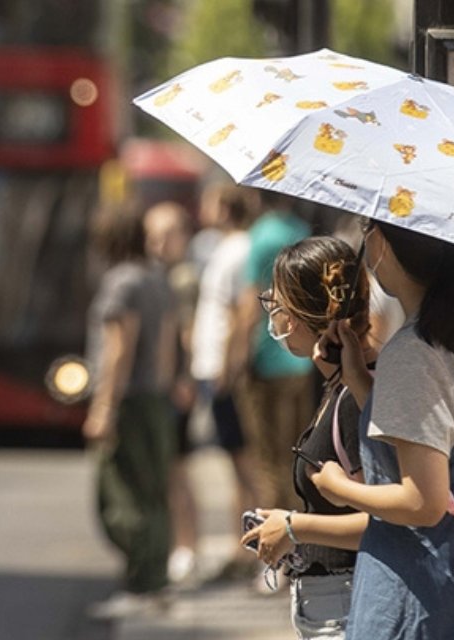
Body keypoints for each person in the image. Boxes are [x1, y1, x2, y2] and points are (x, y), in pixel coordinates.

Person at [307, 220, 454, 638]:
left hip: (423, 596)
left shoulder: (413, 351)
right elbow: (436, 432)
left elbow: (423, 502)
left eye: (367, 227)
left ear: (382, 246)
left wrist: (338, 488)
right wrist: (357, 377)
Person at [239, 236, 382, 638]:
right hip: (331, 603)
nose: (276, 319)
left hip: (347, 606)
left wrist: (294, 528)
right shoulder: (343, 386)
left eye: (280, 305)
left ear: (304, 314)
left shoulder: (357, 397)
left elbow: (391, 521)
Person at [84, 204, 178, 619]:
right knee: (155, 491)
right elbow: (167, 344)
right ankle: (154, 582)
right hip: (155, 398)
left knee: (123, 495)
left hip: (130, 401)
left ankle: (140, 583)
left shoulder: (120, 282)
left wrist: (104, 406)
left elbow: (118, 348)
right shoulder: (156, 279)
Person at [188, 184, 263, 583]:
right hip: (210, 364)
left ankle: (258, 549)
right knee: (234, 462)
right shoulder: (222, 247)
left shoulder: (239, 250)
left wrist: (228, 367)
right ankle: (244, 545)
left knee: (245, 461)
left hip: (221, 367)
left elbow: (242, 312)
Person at [232, 193, 316, 528]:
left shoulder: (260, 235)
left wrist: (236, 359)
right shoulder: (301, 228)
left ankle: (277, 543)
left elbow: (250, 304)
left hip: (267, 358)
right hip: (301, 359)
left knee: (268, 458)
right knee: (299, 455)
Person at [142, 201, 202, 585]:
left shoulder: (184, 280)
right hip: (159, 384)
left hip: (176, 385)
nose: (157, 243)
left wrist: (184, 378)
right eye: (152, 235)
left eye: (165, 234)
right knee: (164, 469)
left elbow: (189, 332)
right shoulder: (154, 276)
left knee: (177, 469)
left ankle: (187, 546)